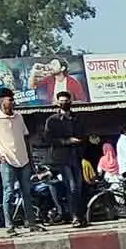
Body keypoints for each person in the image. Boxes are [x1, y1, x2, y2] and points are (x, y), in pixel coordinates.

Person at [0, 87, 40, 235]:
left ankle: (32, 223)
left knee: (27, 193)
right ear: (1, 101)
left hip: (23, 161)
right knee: (9, 193)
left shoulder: (19, 117)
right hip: (7, 161)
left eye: (13, 99)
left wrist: (31, 160)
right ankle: (9, 225)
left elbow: (25, 138)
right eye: (10, 99)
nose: (13, 102)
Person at [43, 91, 89, 227]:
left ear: (71, 102)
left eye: (66, 101)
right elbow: (47, 139)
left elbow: (84, 136)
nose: (64, 103)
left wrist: (84, 142)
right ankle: (74, 217)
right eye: (61, 101)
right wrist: (67, 141)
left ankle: (78, 216)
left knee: (79, 188)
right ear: (57, 103)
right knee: (72, 187)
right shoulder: (52, 120)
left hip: (77, 157)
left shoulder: (77, 119)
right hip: (61, 159)